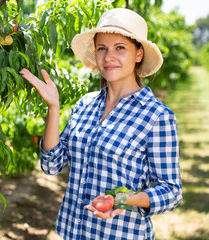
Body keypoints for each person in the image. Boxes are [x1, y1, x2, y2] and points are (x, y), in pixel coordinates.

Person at [20, 8, 182, 240]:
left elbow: (171, 191)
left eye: (120, 48)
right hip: (72, 232)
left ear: (138, 54)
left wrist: (123, 200)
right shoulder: (85, 105)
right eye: (101, 48)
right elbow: (52, 165)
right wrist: (53, 108)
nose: (108, 57)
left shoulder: (156, 116)